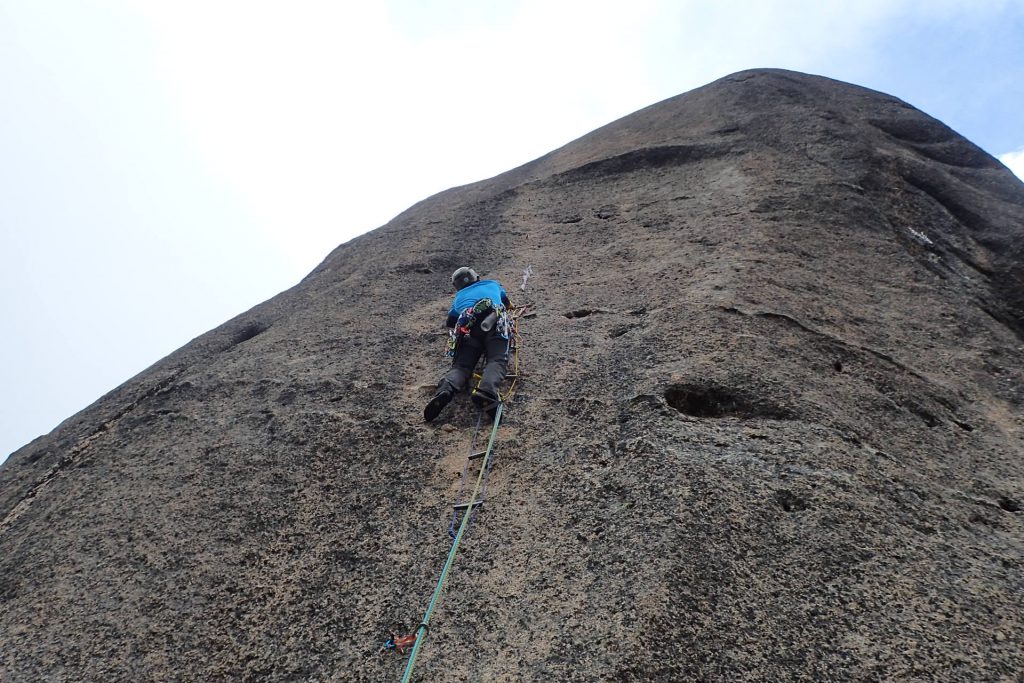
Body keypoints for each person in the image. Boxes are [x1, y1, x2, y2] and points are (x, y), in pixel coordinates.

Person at [424, 267, 512, 422]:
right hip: (494, 324)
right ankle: (486, 392)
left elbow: (451, 321)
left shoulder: (459, 297)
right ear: (476, 277)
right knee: (497, 359)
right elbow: (506, 302)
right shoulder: (492, 284)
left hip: (471, 331)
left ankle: (445, 390)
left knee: (462, 366)